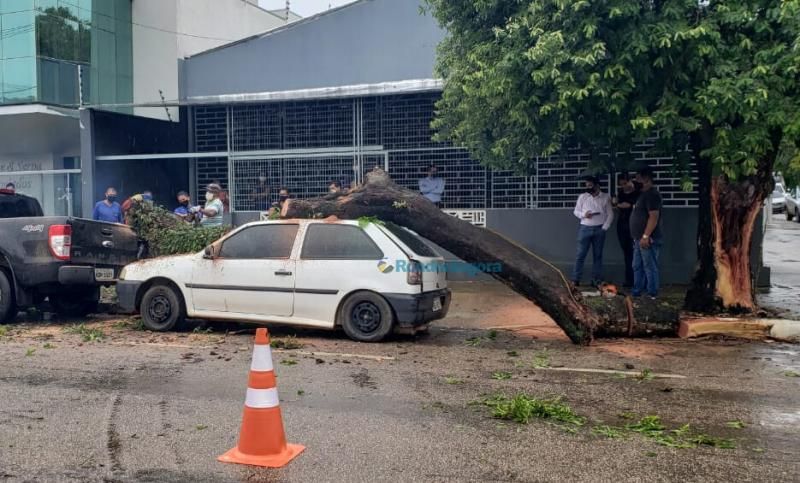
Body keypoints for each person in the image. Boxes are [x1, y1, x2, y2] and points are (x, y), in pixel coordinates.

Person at [571, 176, 614, 287]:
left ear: (597, 185)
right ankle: (575, 279)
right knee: (580, 255)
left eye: (590, 185)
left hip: (599, 229)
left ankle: (596, 280)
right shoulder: (583, 197)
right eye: (587, 185)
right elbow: (576, 211)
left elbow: (610, 214)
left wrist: (604, 228)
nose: (588, 187)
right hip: (585, 228)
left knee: (598, 256)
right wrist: (583, 215)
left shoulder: (606, 197)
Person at [630, 167, 663, 298]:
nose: (635, 181)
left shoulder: (652, 195)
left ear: (646, 179)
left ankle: (652, 293)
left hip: (648, 238)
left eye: (637, 178)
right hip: (638, 238)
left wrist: (646, 235)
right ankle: (637, 291)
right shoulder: (642, 195)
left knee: (649, 266)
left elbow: (653, 216)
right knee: (637, 265)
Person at [614, 173, 640, 288]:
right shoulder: (620, 193)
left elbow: (630, 205)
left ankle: (637, 280)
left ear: (630, 181)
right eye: (621, 185)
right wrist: (616, 204)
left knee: (635, 253)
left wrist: (623, 205)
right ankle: (629, 279)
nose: (624, 186)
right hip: (622, 225)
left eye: (625, 183)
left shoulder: (638, 193)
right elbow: (618, 206)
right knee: (627, 253)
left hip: (634, 224)